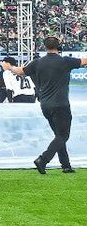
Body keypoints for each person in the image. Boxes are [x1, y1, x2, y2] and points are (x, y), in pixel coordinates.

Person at [6, 37, 87, 174]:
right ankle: (43, 159)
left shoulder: (38, 62)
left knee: (58, 135)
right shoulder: (65, 61)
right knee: (63, 135)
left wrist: (9, 67)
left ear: (44, 47)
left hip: (45, 105)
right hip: (61, 104)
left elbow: (20, 71)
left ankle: (66, 165)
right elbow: (84, 61)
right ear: (58, 46)